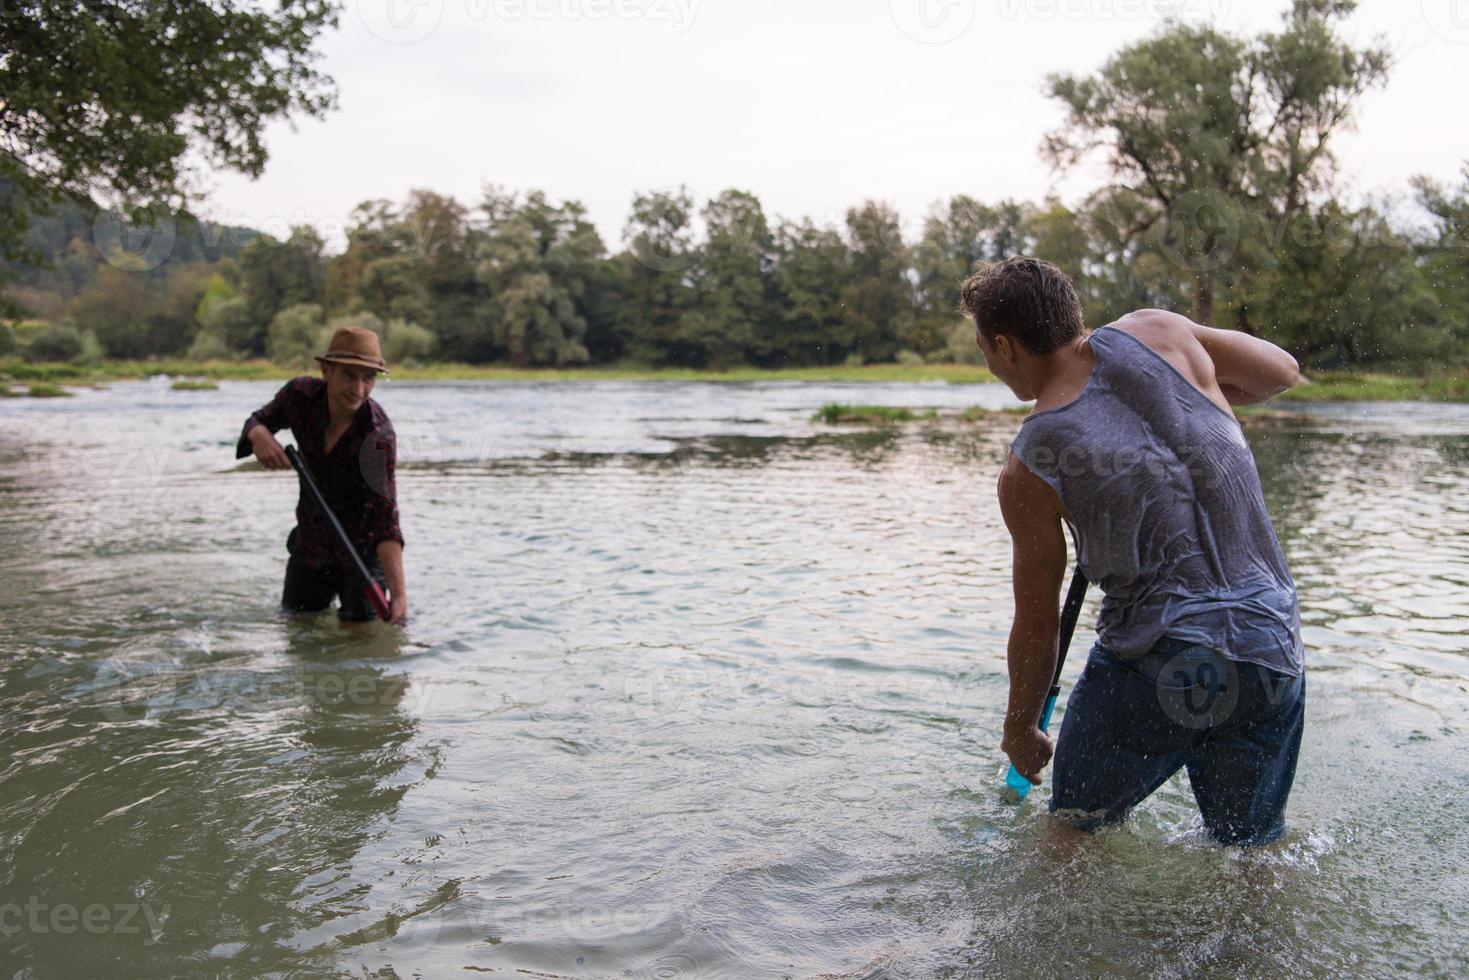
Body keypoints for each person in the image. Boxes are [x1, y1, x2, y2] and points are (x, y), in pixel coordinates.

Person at [963, 256, 1305, 846]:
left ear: (1004, 345)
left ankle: (1051, 941)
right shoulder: (1161, 331)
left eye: (987, 352)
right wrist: (1202, 393)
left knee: (1070, 841)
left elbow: (1039, 625)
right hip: (1270, 649)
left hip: (1157, 665)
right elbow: (1282, 371)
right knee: (1255, 856)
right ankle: (1260, 939)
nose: (993, 366)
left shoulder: (1029, 464)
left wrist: (1020, 730)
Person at [237, 326, 408, 626]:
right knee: (297, 635)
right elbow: (259, 419)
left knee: (361, 650)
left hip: (362, 558)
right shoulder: (299, 397)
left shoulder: (377, 437)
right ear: (325, 370)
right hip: (311, 545)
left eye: (368, 378)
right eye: (348, 375)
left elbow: (385, 520)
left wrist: (400, 595)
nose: (358, 389)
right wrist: (258, 433)